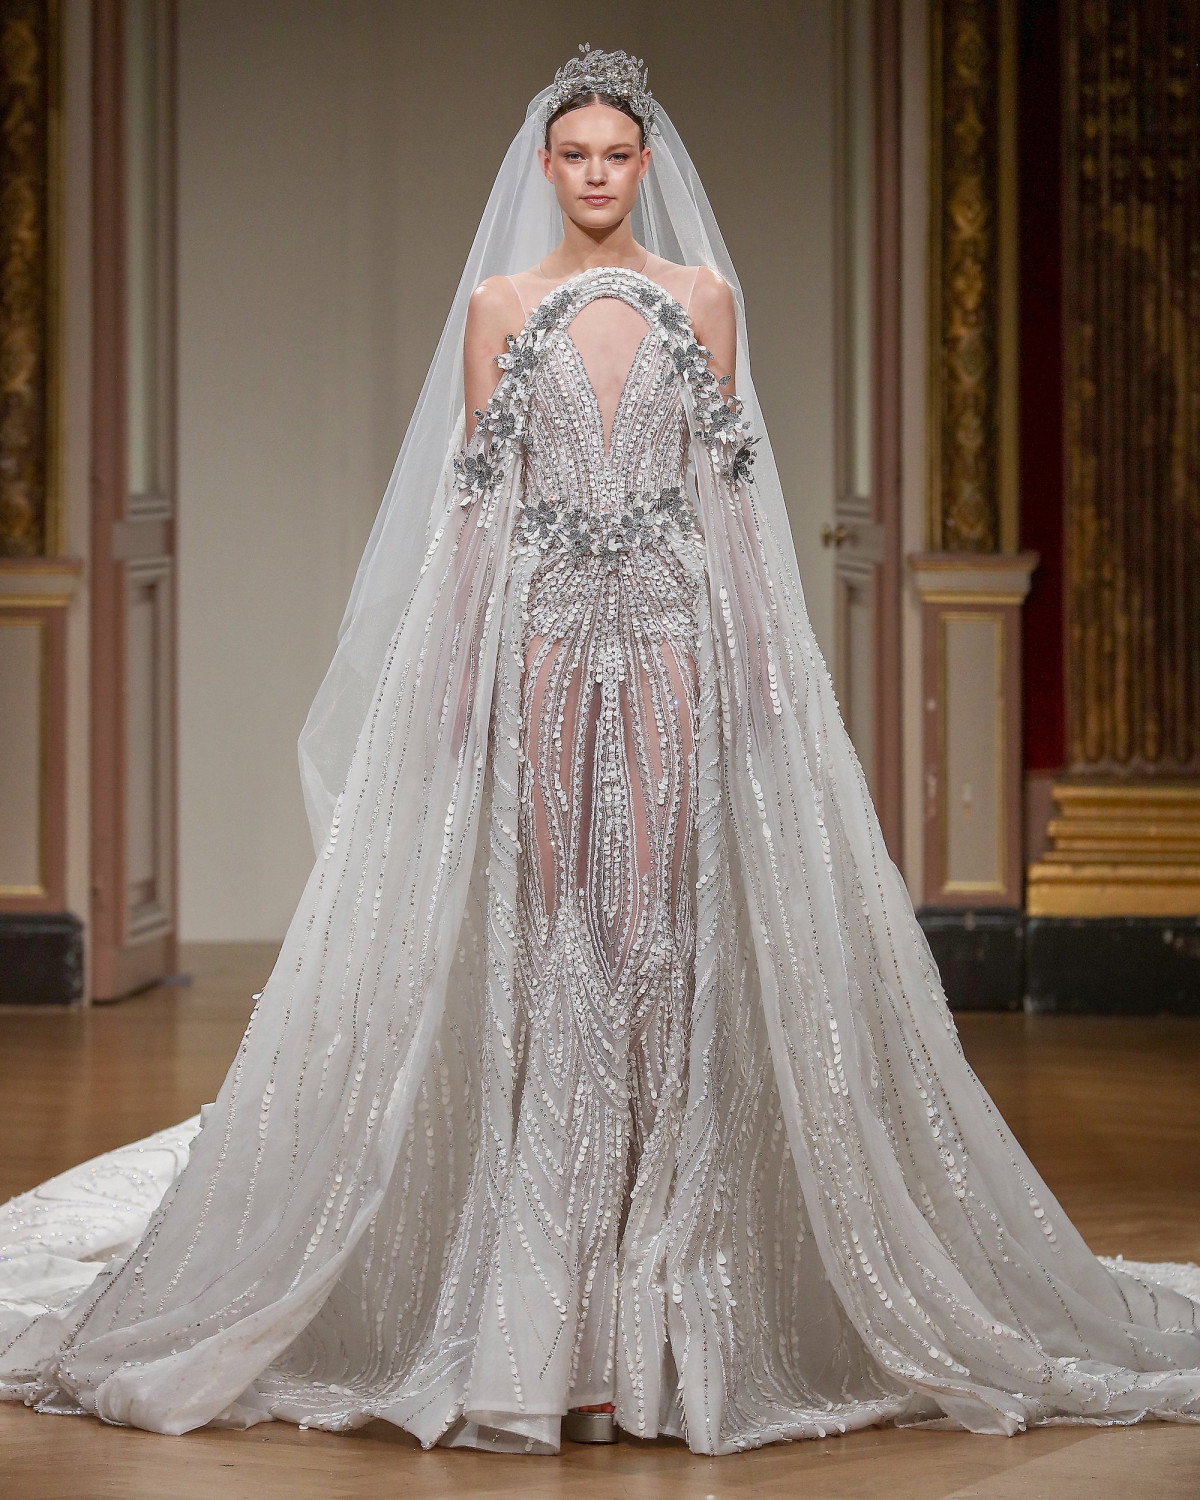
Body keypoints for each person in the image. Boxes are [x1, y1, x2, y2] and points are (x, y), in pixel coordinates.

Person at [1, 45, 1198, 1458]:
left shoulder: (705, 300)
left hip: (679, 650)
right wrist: (458, 692)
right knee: (557, 945)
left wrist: (763, 684)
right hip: (546, 655)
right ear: (545, 165)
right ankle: (550, 1329)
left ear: (644, 164)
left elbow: (731, 507)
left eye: (614, 154)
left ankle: (661, 1324)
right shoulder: (500, 309)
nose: (593, 175)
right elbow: (475, 519)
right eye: (572, 154)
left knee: (662, 948)